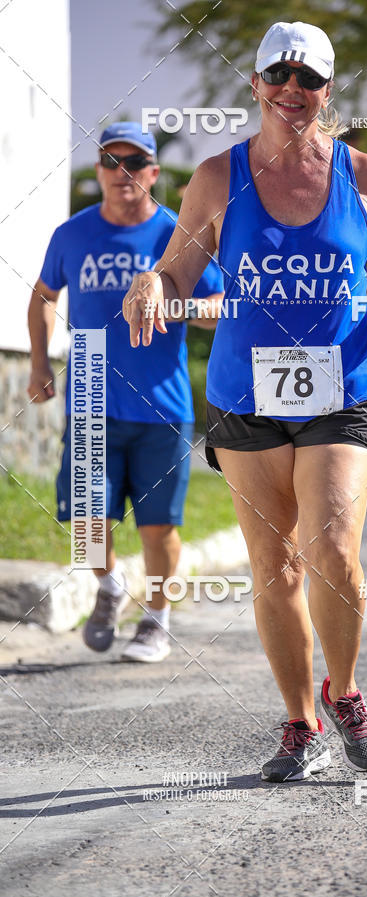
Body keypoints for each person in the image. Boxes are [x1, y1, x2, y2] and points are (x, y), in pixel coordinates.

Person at [122, 22, 367, 779]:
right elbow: (178, 274)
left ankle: (346, 691)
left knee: (332, 551)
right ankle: (300, 723)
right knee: (275, 566)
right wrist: (149, 286)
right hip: (244, 395)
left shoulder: (362, 173)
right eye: (279, 77)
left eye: (309, 80)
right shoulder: (216, 177)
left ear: (328, 90)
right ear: (257, 84)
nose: (293, 91)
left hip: (343, 386)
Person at [28, 122, 224, 663]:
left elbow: (219, 306)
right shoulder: (73, 234)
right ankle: (111, 587)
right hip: (88, 390)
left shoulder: (174, 234)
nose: (122, 173)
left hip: (161, 401)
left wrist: (174, 304)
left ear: (153, 174)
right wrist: (40, 362)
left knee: (159, 528)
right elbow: (43, 296)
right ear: (98, 172)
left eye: (134, 163)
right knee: (88, 525)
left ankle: (156, 622)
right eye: (111, 162)